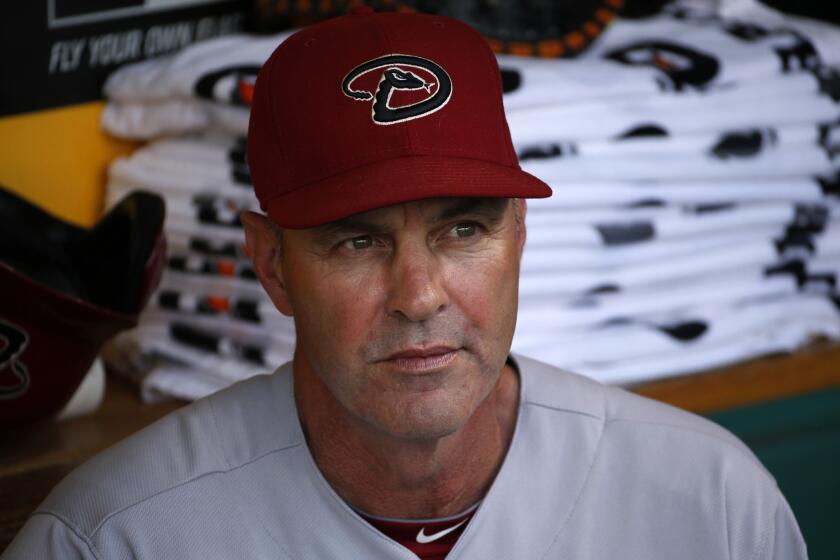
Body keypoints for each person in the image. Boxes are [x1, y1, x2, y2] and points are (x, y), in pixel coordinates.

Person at [3, 6, 807, 559]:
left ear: (519, 237)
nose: (419, 295)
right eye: (356, 241)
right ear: (272, 263)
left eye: (464, 229)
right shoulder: (114, 538)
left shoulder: (714, 501)